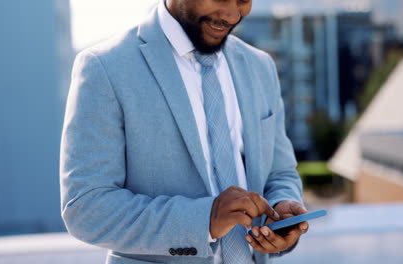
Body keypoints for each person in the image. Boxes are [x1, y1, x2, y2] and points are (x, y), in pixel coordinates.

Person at [60, 0, 308, 263]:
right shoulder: (104, 67)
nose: (233, 14)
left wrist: (282, 208)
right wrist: (205, 219)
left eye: (244, 0)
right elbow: (86, 209)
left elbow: (280, 173)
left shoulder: (261, 67)